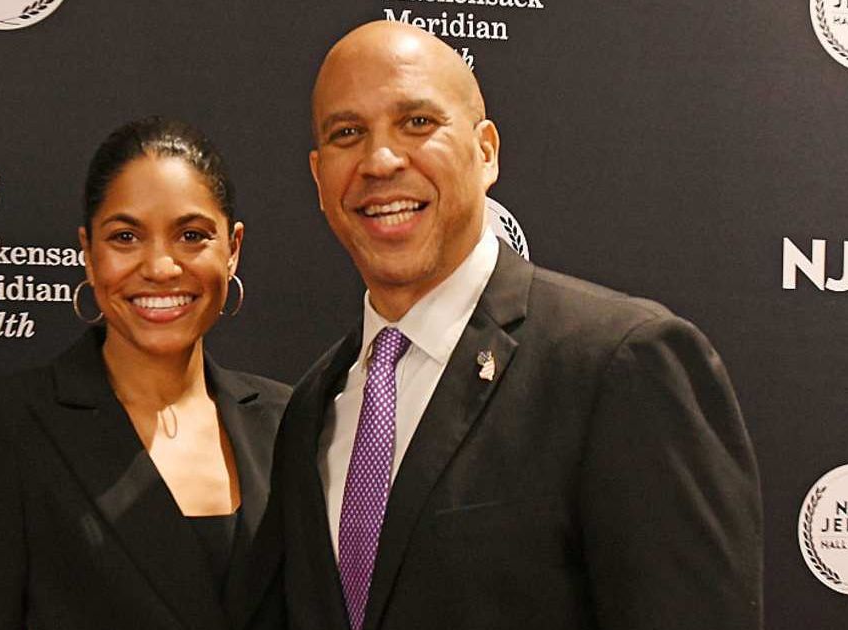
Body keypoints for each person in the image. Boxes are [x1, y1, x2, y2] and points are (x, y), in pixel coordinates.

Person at [271, 21, 763, 630]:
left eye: (417, 123)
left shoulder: (620, 365)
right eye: (348, 133)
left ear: (486, 152)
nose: (381, 160)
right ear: (319, 177)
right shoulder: (311, 409)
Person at [0, 117, 288, 630]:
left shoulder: (288, 422)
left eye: (191, 235)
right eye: (125, 237)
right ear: (88, 253)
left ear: (232, 249)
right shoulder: (7, 429)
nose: (160, 267)